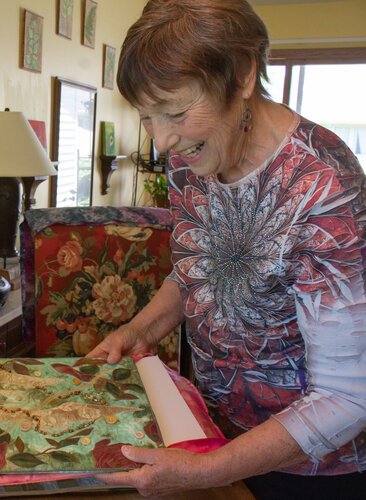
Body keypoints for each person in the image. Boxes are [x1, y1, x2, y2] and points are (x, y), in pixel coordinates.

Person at [86, 1, 366, 497]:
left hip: (311, 465)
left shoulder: (325, 186)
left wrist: (204, 472)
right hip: (213, 431)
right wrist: (139, 330)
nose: (163, 140)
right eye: (147, 117)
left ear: (241, 73)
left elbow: (347, 396)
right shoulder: (189, 155)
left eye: (175, 112)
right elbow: (197, 269)